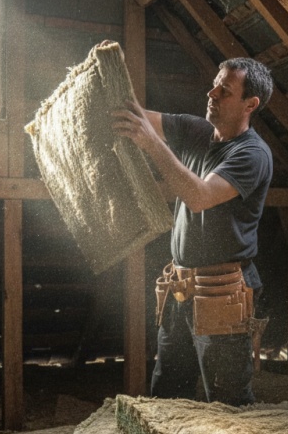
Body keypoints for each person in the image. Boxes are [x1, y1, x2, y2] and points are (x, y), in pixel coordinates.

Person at [112, 55, 274, 406]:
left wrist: (153, 144)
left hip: (224, 293)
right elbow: (138, 118)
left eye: (225, 90)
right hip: (181, 287)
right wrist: (109, 79)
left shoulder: (252, 154)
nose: (212, 92)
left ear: (250, 104)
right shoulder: (195, 130)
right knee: (168, 392)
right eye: (215, 83)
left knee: (227, 401)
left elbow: (199, 196)